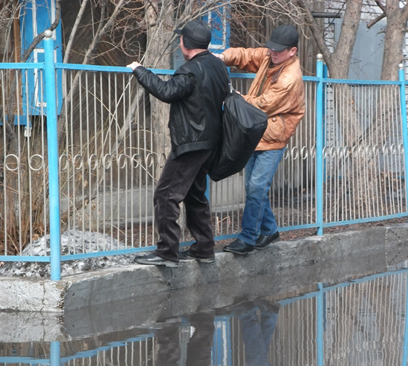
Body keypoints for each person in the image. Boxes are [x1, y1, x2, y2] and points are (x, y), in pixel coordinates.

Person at [128, 21, 229, 267]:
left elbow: (166, 91)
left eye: (180, 40)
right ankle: (204, 249)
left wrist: (139, 70)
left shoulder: (190, 70)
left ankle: (166, 252)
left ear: (185, 44)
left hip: (191, 143)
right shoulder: (218, 66)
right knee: (195, 194)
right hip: (210, 142)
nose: (179, 43)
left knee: (166, 195)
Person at [217, 25, 306, 255]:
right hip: (255, 133)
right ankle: (269, 230)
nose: (272, 53)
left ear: (292, 51)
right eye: (271, 48)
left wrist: (236, 99)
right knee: (253, 188)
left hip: (273, 138)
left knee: (256, 187)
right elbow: (247, 55)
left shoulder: (290, 78)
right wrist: (222, 57)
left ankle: (248, 238)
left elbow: (263, 104)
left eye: (278, 50)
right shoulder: (271, 57)